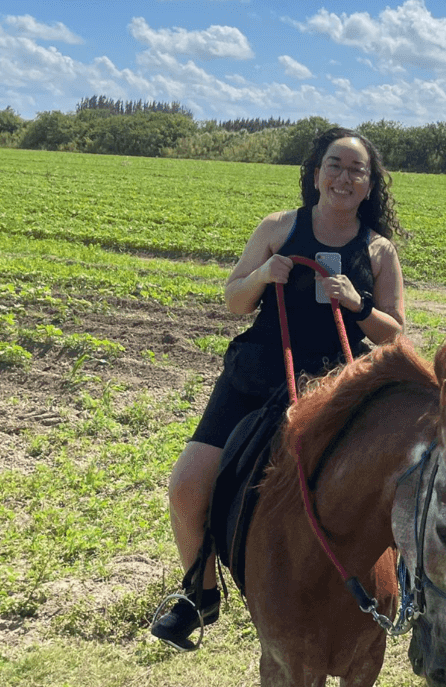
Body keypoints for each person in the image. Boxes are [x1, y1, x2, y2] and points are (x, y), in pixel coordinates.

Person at [152, 127, 406, 650]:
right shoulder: (277, 227)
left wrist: (358, 305)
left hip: (338, 385)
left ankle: (401, 586)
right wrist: (263, 274)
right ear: (316, 175)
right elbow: (234, 302)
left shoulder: (379, 251)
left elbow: (394, 335)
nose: (343, 177)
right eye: (334, 165)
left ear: (369, 185)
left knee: (388, 487)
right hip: (260, 373)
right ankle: (198, 596)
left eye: (356, 170)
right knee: (187, 484)